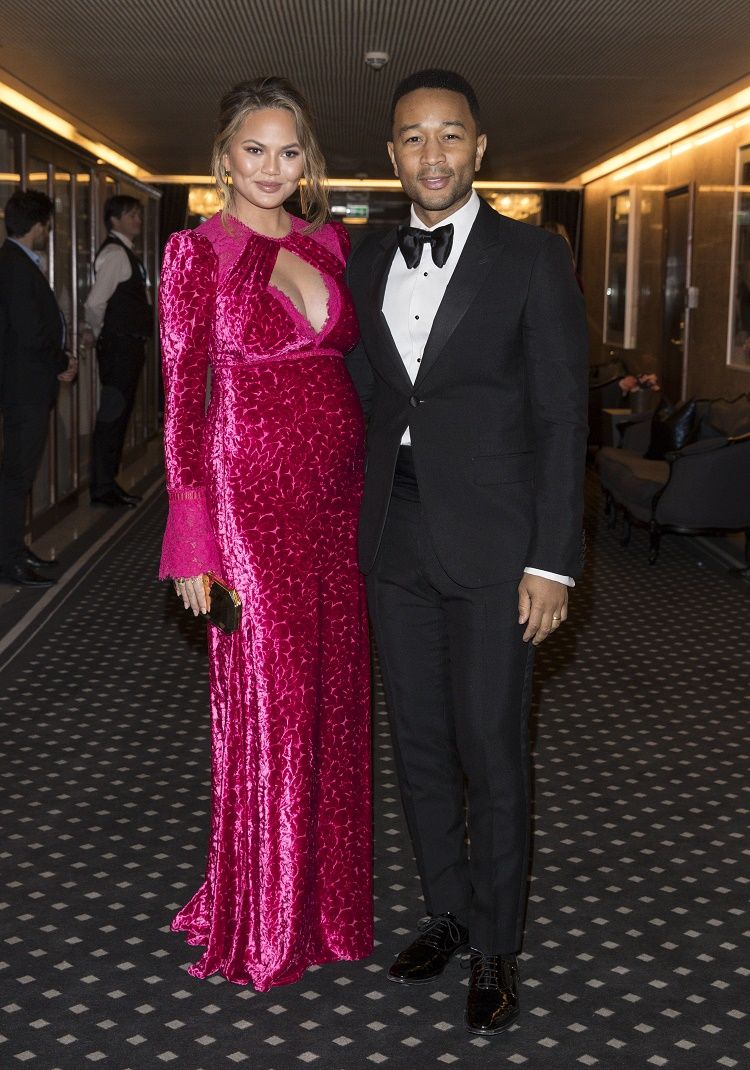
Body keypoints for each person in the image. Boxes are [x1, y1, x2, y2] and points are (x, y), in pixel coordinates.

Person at [345, 69, 588, 1035]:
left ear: (480, 149)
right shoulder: (368, 258)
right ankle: (446, 910)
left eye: (450, 136)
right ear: (393, 154)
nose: (432, 154)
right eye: (413, 138)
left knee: (493, 749)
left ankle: (496, 942)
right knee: (422, 745)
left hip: (498, 550)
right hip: (393, 537)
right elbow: (369, 393)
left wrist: (554, 560)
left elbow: (562, 413)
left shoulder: (533, 257)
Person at [158, 77, 372, 990]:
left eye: (290, 153)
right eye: (256, 150)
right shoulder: (193, 254)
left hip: (338, 502)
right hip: (248, 501)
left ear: (308, 161)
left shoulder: (330, 244)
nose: (273, 169)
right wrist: (192, 540)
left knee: (333, 698)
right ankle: (266, 917)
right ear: (225, 155)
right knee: (274, 703)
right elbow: (179, 408)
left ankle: (327, 909)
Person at [0, 190, 77, 588]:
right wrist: (62, 361)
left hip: (27, 385)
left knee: (20, 474)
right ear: (38, 225)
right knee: (16, 476)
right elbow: (30, 333)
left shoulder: (17, 261)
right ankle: (9, 559)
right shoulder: (14, 265)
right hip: (24, 388)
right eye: (47, 224)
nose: (48, 230)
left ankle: (13, 547)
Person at [83, 195, 152, 507]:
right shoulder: (115, 253)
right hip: (119, 346)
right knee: (112, 415)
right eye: (131, 214)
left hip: (126, 345)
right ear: (115, 219)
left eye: (138, 213)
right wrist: (97, 332)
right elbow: (95, 303)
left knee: (118, 414)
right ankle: (102, 486)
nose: (137, 219)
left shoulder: (124, 252)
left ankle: (108, 482)